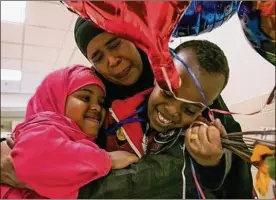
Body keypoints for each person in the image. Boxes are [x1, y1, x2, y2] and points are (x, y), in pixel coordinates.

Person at [0, 17, 253, 198]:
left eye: (114, 44)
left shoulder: (179, 75)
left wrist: (215, 163)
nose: (112, 61)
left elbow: (231, 152)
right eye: (97, 57)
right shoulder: (97, 95)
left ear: (133, 37)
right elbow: (47, 132)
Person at [0, 65, 138, 199]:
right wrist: (108, 160)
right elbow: (36, 161)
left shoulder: (78, 140)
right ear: (57, 99)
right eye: (85, 98)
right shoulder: (42, 124)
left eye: (102, 103)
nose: (97, 107)